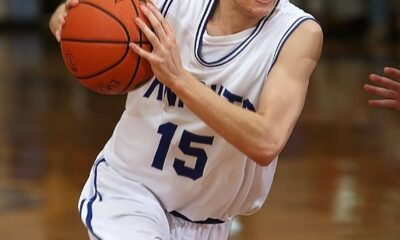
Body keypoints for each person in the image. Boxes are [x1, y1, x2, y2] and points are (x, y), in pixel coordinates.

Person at [50, 0, 323, 239]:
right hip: (129, 193)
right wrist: (70, 18)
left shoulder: (297, 34)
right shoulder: (170, 3)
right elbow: (72, 16)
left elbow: (267, 141)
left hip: (210, 221)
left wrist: (178, 79)